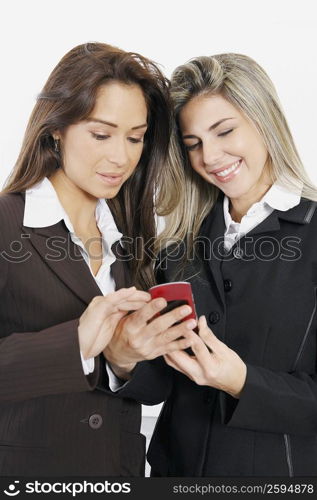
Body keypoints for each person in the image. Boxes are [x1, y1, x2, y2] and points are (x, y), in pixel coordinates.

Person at [0, 42, 195, 476]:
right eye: (101, 134)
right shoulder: (6, 223)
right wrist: (77, 344)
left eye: (135, 138)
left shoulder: (131, 241)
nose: (121, 157)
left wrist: (124, 359)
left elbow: (145, 388)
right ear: (57, 129)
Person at [121, 53, 317, 476]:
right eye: (193, 144)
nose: (210, 157)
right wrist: (125, 358)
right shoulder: (177, 247)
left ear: (265, 121)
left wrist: (241, 381)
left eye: (224, 131)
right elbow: (156, 383)